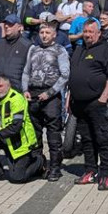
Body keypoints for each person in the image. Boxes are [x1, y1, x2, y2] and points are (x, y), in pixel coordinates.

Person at [69, 20, 108, 191]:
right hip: (79, 104)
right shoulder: (79, 49)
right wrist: (70, 98)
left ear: (99, 33)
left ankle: (105, 174)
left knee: (103, 140)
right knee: (87, 140)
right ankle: (90, 171)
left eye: (91, 32)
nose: (87, 35)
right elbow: (73, 76)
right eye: (85, 31)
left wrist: (103, 99)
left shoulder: (107, 50)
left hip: (98, 103)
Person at [21, 22, 69, 181]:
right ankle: (39, 165)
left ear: (54, 34)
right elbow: (26, 71)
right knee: (34, 133)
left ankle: (55, 167)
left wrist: (49, 93)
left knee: (53, 133)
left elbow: (65, 75)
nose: (44, 35)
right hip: (33, 93)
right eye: (42, 32)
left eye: (48, 32)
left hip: (50, 95)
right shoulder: (33, 49)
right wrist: (25, 90)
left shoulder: (60, 50)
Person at [0, 75, 44, 183]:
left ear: (8, 86)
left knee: (17, 178)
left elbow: (15, 128)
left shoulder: (16, 99)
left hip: (19, 143)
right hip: (3, 137)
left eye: (0, 86)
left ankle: (39, 161)